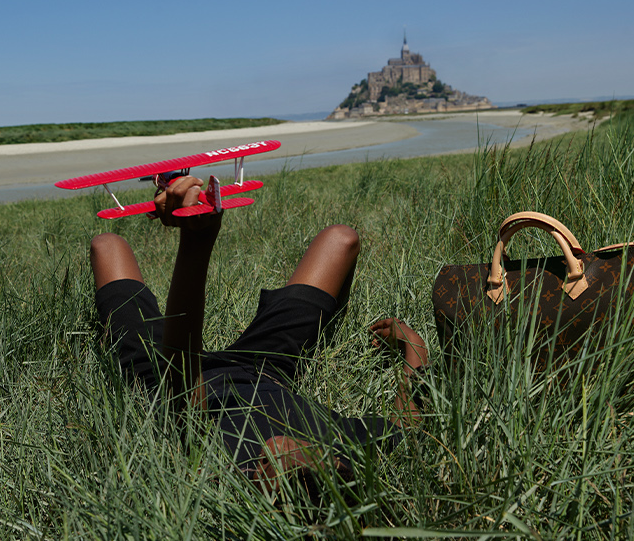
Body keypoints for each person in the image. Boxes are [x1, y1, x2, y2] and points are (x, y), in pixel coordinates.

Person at [90, 176, 430, 491]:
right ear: (336, 464)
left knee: (107, 245)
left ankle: (170, 190)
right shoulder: (346, 444)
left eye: (276, 471)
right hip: (264, 367)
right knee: (342, 239)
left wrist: (196, 241)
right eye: (307, 464)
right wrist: (413, 347)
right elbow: (407, 427)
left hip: (168, 374)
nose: (279, 450)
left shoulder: (228, 462)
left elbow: (181, 375)